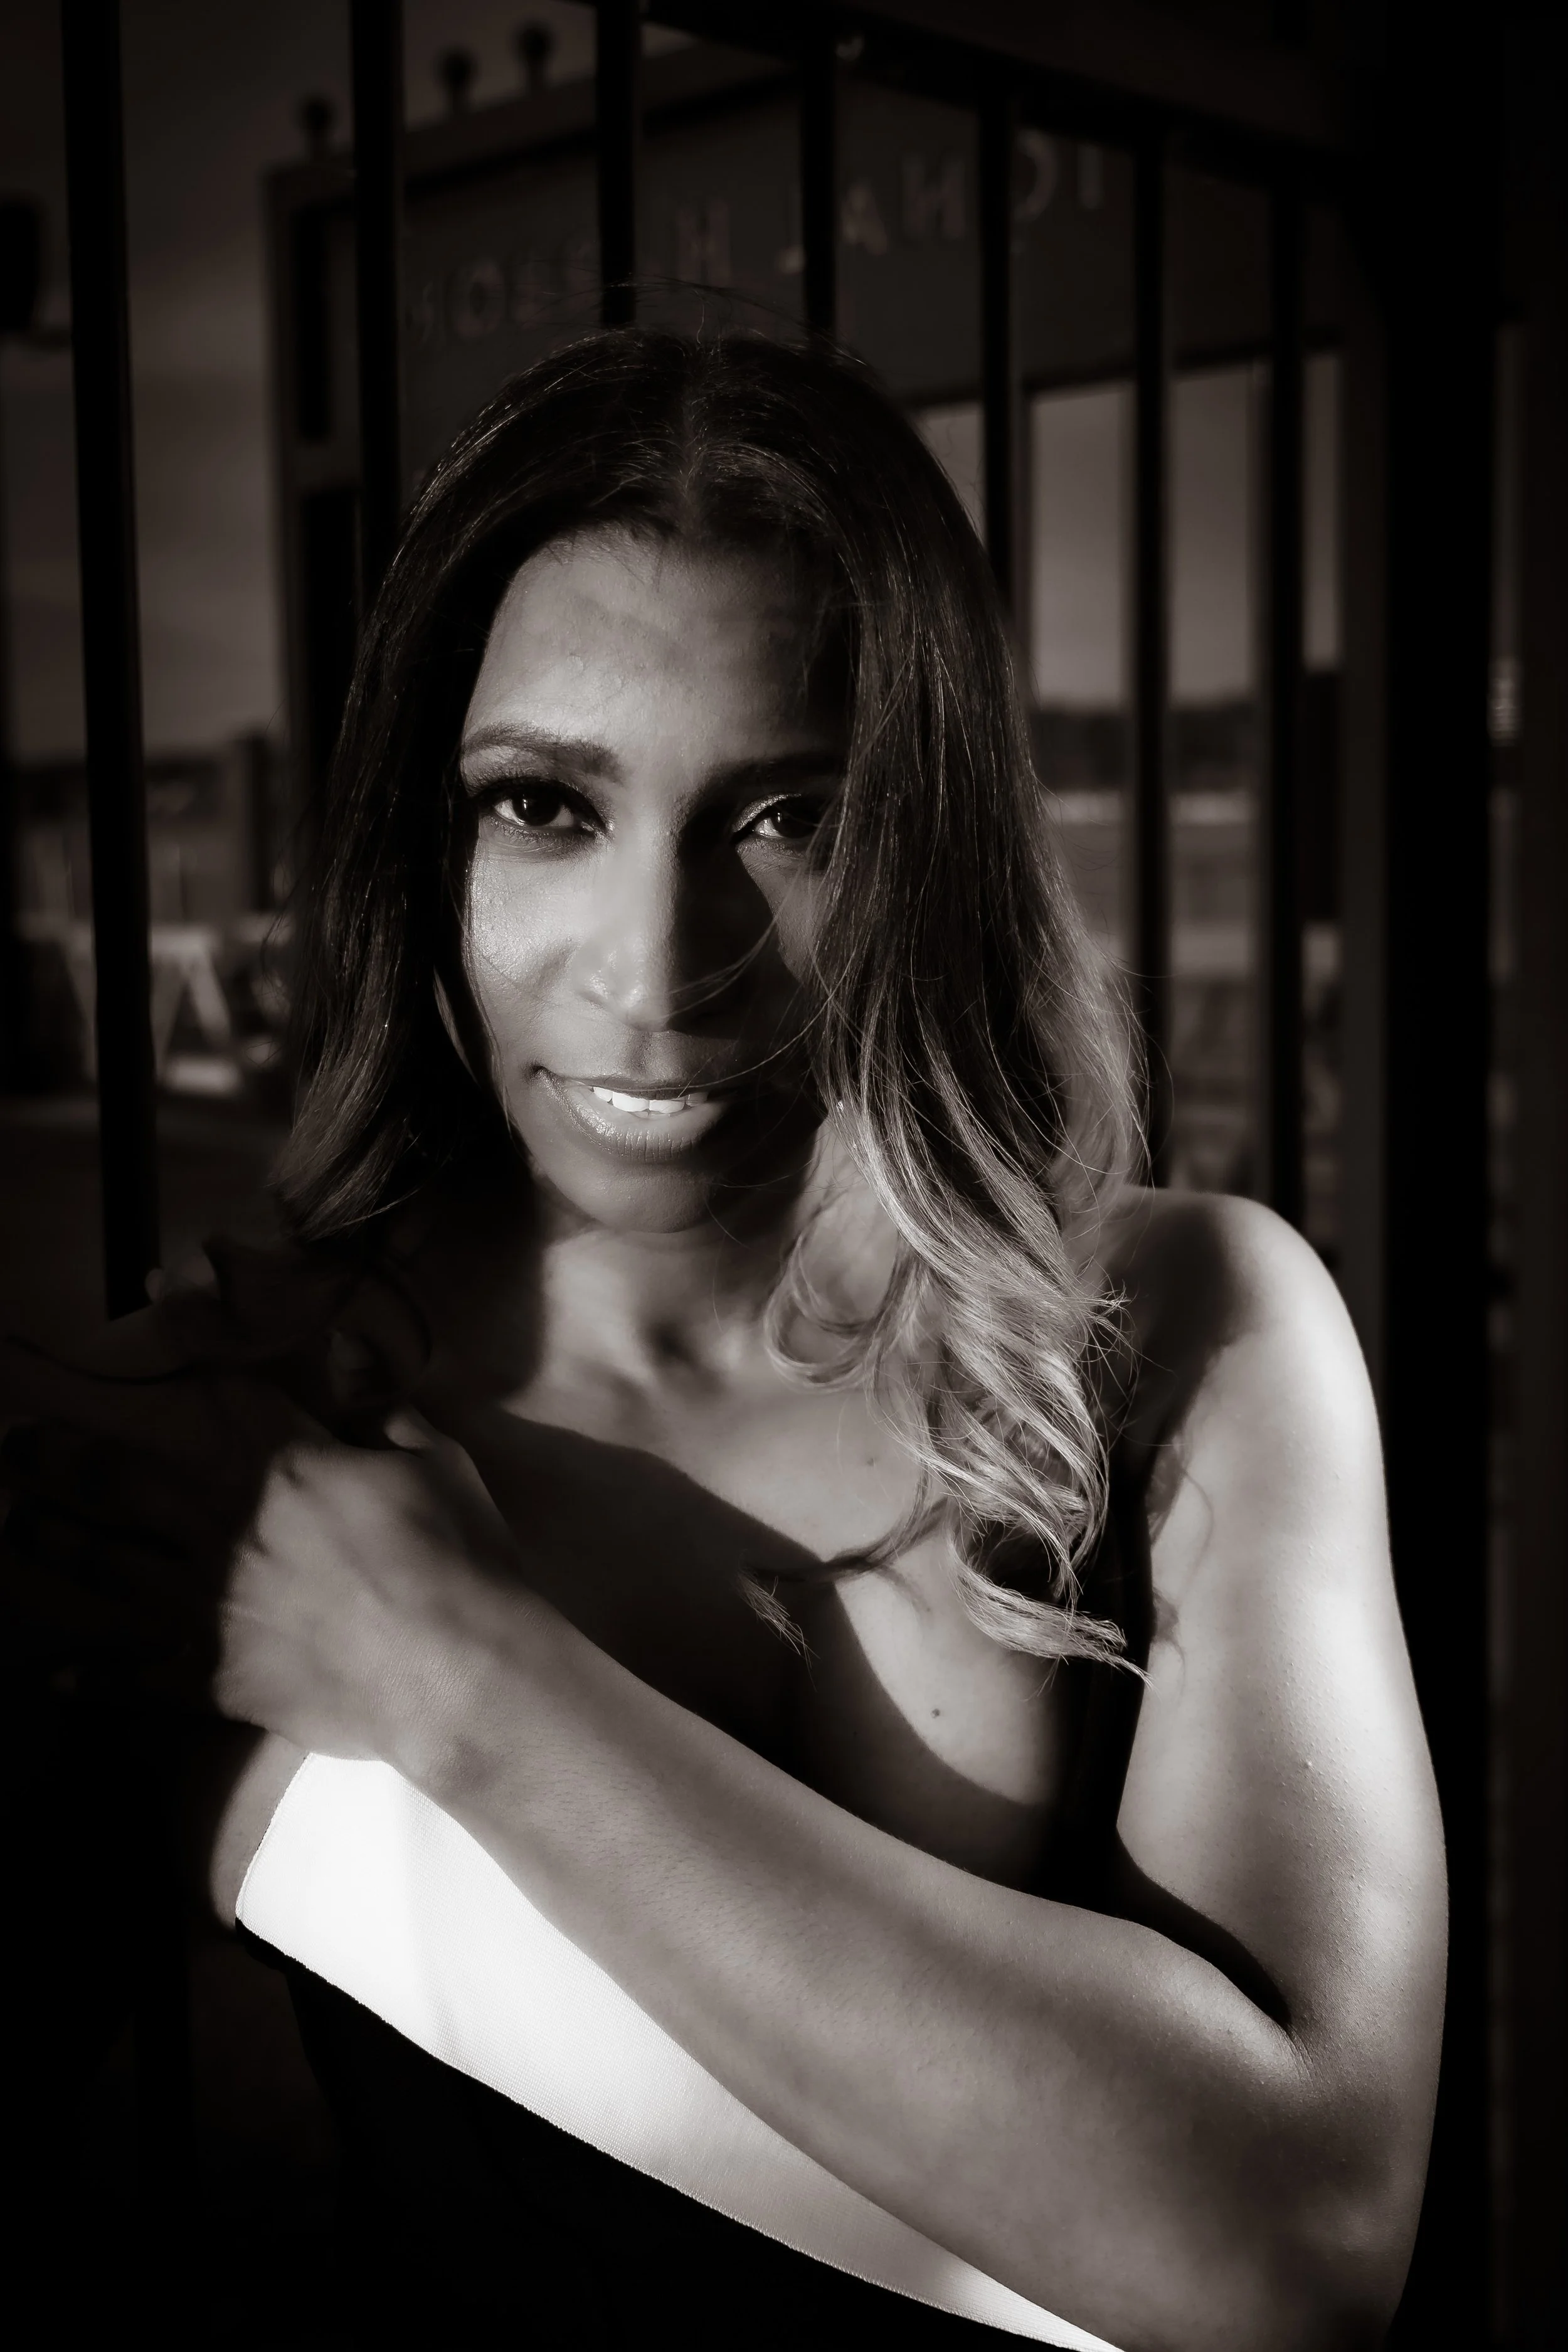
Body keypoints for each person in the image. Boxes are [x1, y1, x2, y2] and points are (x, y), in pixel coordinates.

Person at [0, 328, 1444, 2351]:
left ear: (930, 842)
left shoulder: (1175, 1326)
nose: (659, 971)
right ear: (422, 844)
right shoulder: (230, 1431)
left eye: (785, 815)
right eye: (542, 806)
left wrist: (462, 1674)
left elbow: (1299, 2239)